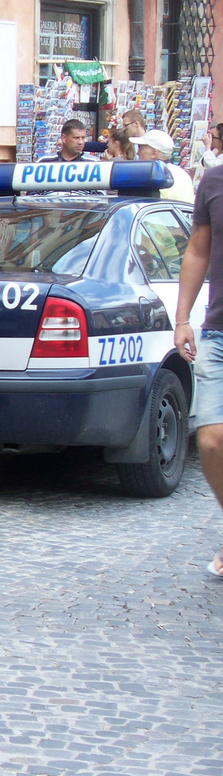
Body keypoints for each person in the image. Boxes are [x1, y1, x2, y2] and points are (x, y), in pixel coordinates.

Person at [174, 154, 223, 579]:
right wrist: (183, 318)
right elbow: (197, 249)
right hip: (220, 332)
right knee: (210, 440)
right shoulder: (213, 181)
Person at [131, 129, 194, 205]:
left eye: (141, 148)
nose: (138, 153)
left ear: (154, 153)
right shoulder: (182, 174)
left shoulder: (151, 177)